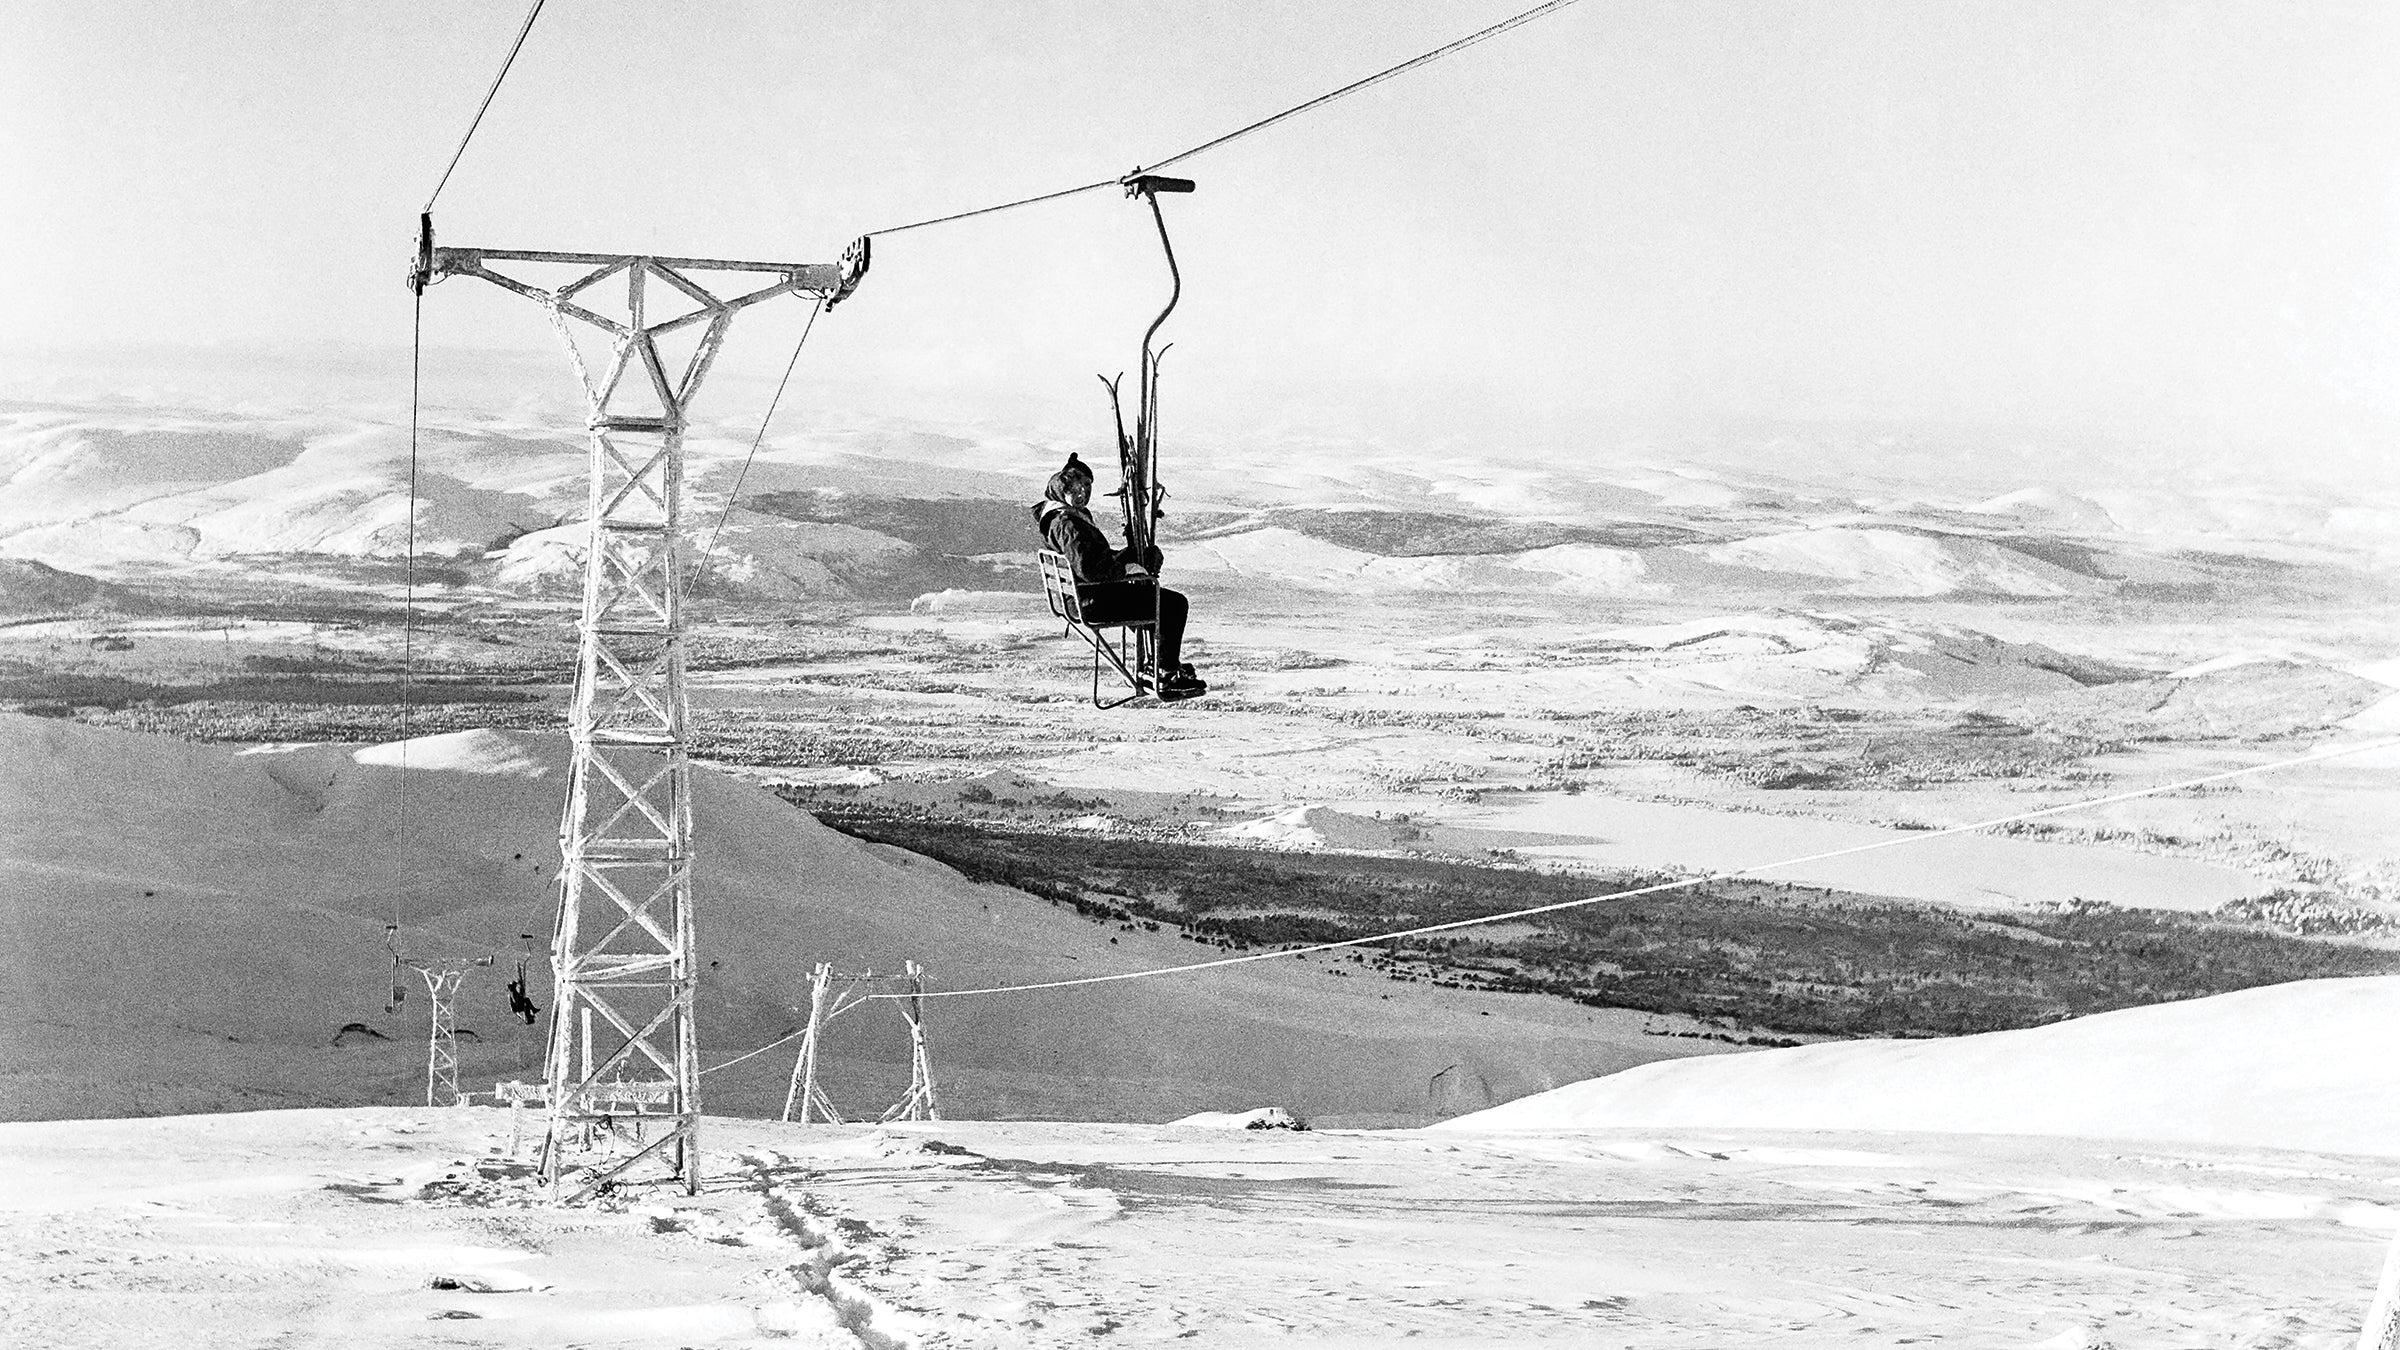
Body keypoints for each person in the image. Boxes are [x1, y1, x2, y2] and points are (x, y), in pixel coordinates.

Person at [1033, 453, 1207, 700]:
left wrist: (1130, 555)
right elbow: (1090, 568)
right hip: (1092, 600)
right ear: (1063, 486)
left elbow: (1092, 560)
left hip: (1081, 596)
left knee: (1149, 599)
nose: (1084, 493)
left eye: (1088, 487)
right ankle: (1166, 673)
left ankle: (1158, 663)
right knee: (1172, 603)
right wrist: (1126, 569)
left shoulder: (1058, 517)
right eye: (1078, 486)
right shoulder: (1068, 523)